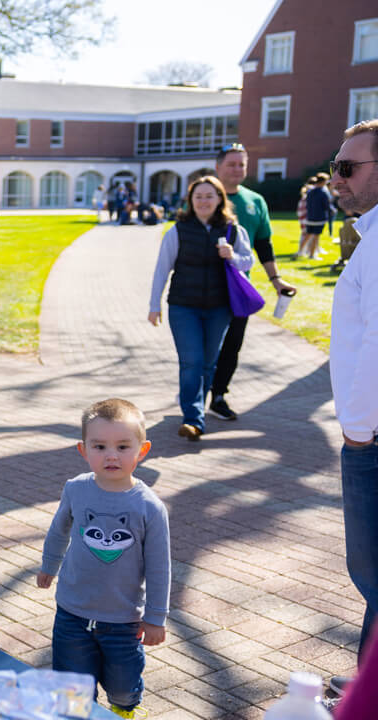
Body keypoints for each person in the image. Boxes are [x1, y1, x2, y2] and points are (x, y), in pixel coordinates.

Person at [37, 399, 170, 719]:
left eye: (123, 447)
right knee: (71, 685)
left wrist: (155, 617)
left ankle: (124, 709)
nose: (111, 455)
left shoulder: (149, 507)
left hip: (123, 620)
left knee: (123, 685)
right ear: (83, 450)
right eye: (100, 446)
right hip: (72, 612)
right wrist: (49, 565)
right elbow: (58, 530)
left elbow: (159, 567)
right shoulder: (76, 489)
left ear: (142, 450)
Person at [329, 118, 378, 696]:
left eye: (348, 167)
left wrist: (359, 432)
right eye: (335, 166)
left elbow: (375, 346)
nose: (336, 178)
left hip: (373, 438)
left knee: (373, 575)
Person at [148, 175, 254, 441]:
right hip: (183, 307)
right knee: (191, 361)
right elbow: (162, 269)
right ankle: (193, 419)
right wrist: (154, 305)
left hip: (219, 308)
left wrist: (232, 255)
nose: (203, 201)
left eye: (209, 196)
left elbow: (248, 261)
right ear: (190, 200)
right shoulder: (178, 230)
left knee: (208, 363)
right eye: (198, 196)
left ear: (220, 199)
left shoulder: (233, 230)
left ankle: (196, 412)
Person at [210, 143, 298, 421]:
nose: (237, 169)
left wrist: (276, 280)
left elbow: (263, 244)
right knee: (204, 346)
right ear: (218, 167)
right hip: (205, 287)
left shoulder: (255, 201)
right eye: (231, 164)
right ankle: (195, 395)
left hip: (239, 288)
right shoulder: (204, 195)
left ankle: (218, 395)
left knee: (232, 344)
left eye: (242, 164)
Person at [303, 173, 332, 260]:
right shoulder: (323, 192)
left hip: (310, 217)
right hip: (319, 218)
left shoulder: (310, 191)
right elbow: (326, 206)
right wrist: (332, 210)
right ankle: (312, 255)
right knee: (316, 237)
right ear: (323, 182)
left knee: (307, 235)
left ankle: (300, 252)